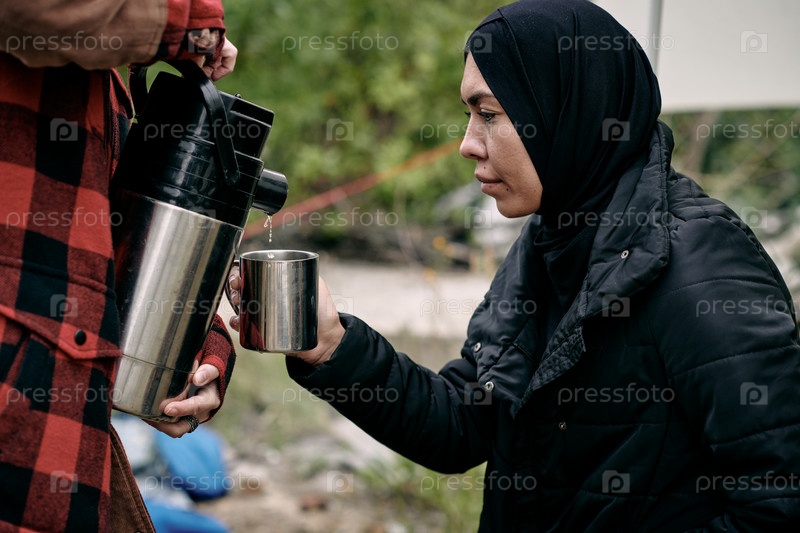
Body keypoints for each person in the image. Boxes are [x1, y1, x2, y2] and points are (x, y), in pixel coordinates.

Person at [230, 0, 800, 530]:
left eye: (489, 114)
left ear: (566, 109)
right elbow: (466, 424)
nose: (467, 143)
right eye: (469, 113)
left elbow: (778, 500)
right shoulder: (551, 238)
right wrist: (330, 345)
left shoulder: (701, 263)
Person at [0, 2, 239, 531]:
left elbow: (107, 251)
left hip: (61, 453)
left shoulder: (106, 80)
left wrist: (195, 340)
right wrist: (192, 24)